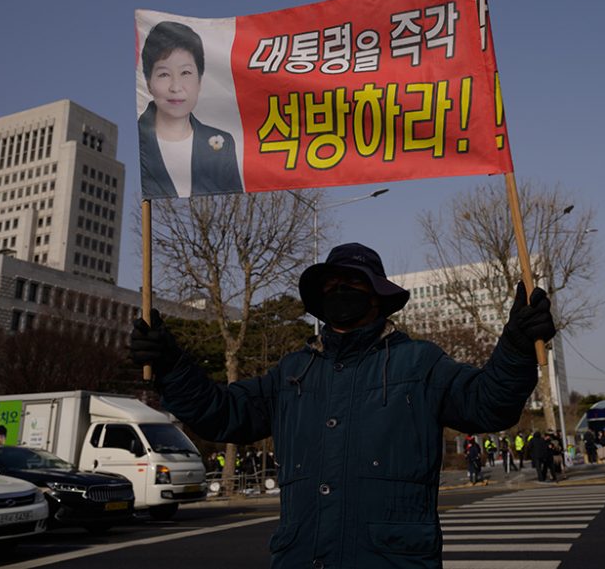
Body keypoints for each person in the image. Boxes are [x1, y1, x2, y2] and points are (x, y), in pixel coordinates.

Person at [129, 242, 555, 568]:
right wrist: (170, 363)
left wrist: (517, 346)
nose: (338, 292)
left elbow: (489, 405)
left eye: (349, 285)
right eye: (329, 287)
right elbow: (220, 412)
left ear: (376, 297)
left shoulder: (419, 363)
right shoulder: (293, 372)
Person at [138, 20, 243, 199]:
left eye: (185, 73)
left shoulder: (222, 145)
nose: (176, 87)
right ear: (149, 83)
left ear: (200, 80)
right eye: (164, 74)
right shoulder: (139, 140)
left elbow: (235, 204)